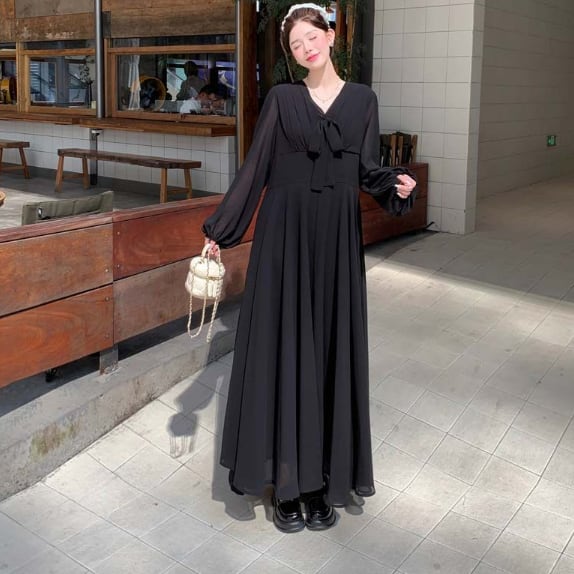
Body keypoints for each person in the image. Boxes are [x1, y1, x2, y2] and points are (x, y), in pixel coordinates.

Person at [202, 2, 416, 533]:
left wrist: (396, 184)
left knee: (327, 352)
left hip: (336, 241)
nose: (305, 49)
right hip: (285, 238)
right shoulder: (282, 98)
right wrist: (221, 232)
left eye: (311, 38)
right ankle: (286, 484)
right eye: (295, 45)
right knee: (286, 350)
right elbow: (255, 169)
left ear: (331, 35)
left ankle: (320, 481)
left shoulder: (363, 100)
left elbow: (368, 169)